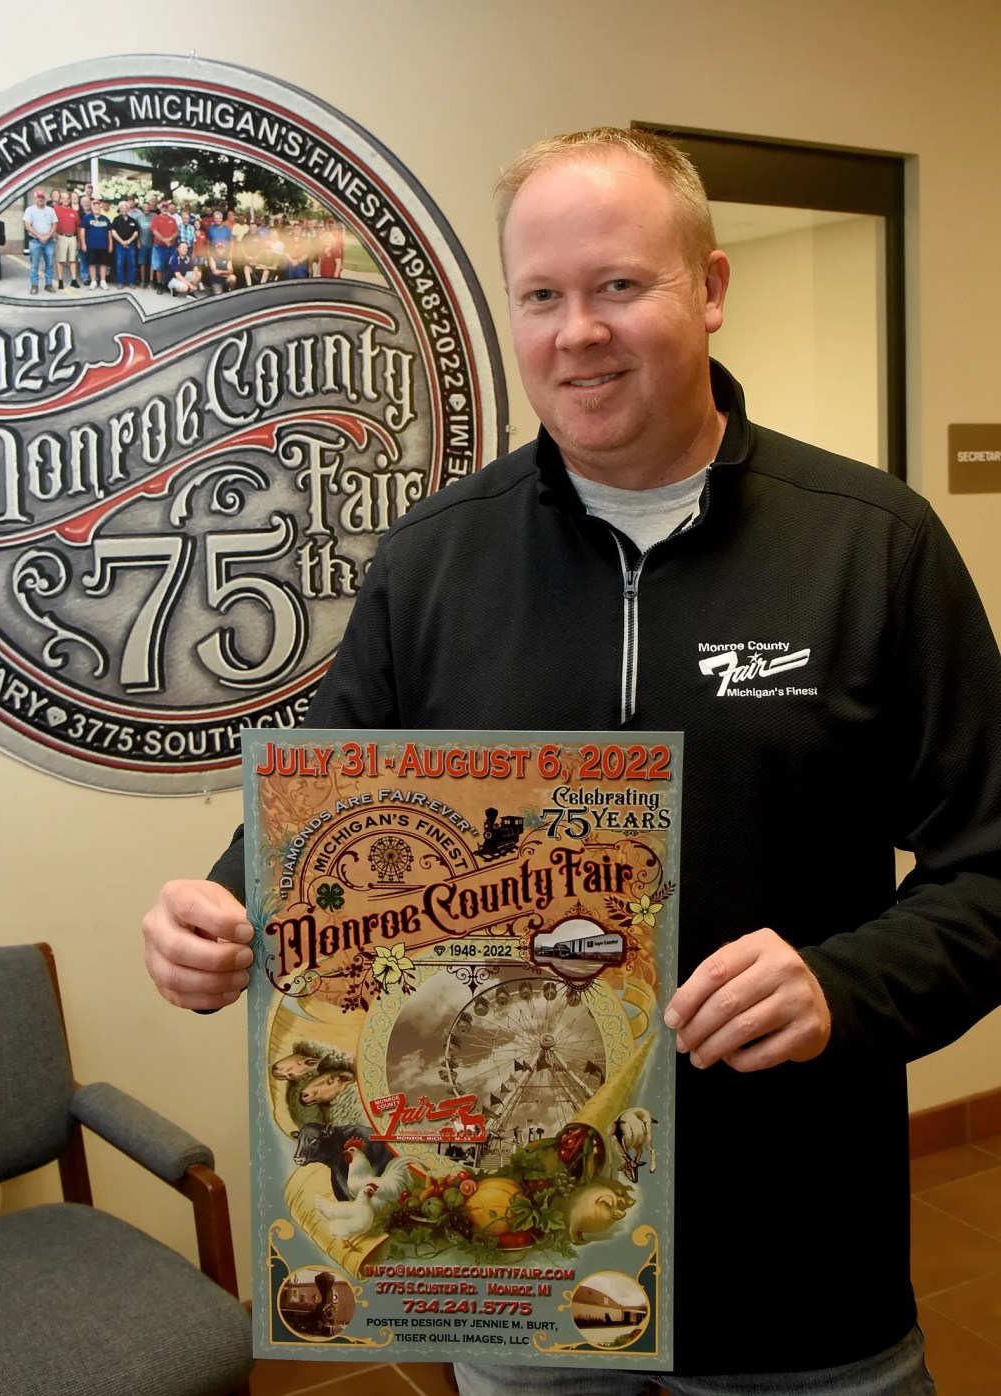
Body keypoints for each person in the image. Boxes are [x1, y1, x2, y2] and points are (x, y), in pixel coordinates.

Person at [141, 127, 1001, 1393]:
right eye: (542, 296)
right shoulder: (436, 558)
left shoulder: (874, 548)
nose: (576, 332)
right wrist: (220, 910)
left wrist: (844, 983)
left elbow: (990, 866)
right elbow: (315, 804)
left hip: (795, 1262)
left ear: (708, 288)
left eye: (618, 285)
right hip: (518, 1265)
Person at [22, 187, 57, 294]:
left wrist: (47, 236)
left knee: (50, 263)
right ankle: (34, 285)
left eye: (42, 197)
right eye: (39, 197)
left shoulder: (50, 210)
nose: (40, 199)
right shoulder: (30, 210)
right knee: (34, 264)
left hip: (49, 241)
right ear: (35, 198)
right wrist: (39, 236)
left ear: (45, 198)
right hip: (35, 241)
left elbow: (55, 225)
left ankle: (49, 284)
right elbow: (27, 225)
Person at [54, 189, 80, 289]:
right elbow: (52, 222)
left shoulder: (74, 212)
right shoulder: (56, 210)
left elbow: (78, 226)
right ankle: (60, 280)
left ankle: (74, 280)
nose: (65, 200)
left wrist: (78, 240)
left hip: (72, 237)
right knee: (61, 260)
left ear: (69, 200)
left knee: (73, 259)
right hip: (61, 237)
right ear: (60, 199)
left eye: (67, 198)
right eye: (63, 198)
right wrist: (54, 233)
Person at [111, 199, 139, 287]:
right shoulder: (116, 219)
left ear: (128, 209)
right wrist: (122, 242)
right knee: (120, 264)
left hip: (131, 245)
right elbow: (113, 232)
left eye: (126, 208)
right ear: (119, 209)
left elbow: (136, 232)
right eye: (122, 208)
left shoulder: (132, 220)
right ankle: (120, 282)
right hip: (119, 245)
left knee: (132, 264)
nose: (124, 209)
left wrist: (128, 241)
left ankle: (131, 282)